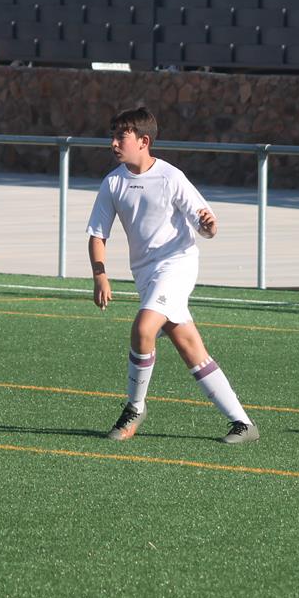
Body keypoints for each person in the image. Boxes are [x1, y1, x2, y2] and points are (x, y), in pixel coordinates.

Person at [86, 105, 260, 444]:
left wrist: (209, 227)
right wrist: (100, 275)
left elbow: (203, 224)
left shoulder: (171, 177)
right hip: (146, 275)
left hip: (178, 265)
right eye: (113, 136)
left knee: (143, 327)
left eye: (121, 136)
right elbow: (97, 235)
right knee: (189, 345)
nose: (114, 143)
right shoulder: (113, 183)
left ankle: (135, 407)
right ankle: (243, 423)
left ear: (144, 141)